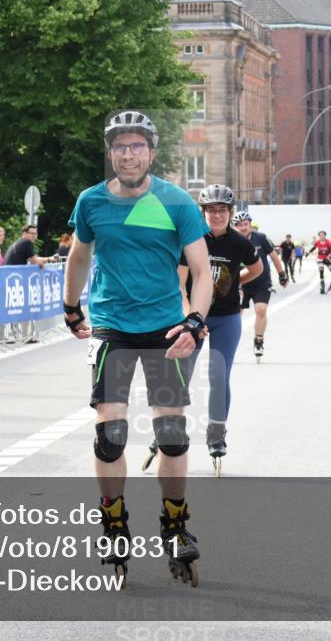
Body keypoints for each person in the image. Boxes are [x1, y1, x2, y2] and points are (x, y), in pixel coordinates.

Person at [63, 110, 212, 587]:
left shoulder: (176, 202)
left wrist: (195, 321)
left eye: (137, 146)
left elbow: (202, 272)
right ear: (111, 153)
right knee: (110, 435)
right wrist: (71, 307)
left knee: (172, 434)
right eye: (120, 146)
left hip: (166, 328)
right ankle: (113, 524)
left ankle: (175, 523)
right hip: (112, 327)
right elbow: (79, 256)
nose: (128, 154)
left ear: (151, 152)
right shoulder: (91, 201)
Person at [142, 184, 261, 476]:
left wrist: (235, 281)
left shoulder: (239, 242)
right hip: (194, 320)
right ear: (202, 212)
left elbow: (257, 269)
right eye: (211, 210)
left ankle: (216, 434)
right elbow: (179, 284)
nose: (216, 215)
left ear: (230, 212)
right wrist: (191, 318)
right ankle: (167, 431)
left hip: (227, 317)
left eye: (222, 210)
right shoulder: (192, 240)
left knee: (219, 376)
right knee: (180, 377)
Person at [232, 212, 287, 361]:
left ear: (250, 224)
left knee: (261, 310)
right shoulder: (231, 239)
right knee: (235, 316)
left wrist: (282, 274)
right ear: (234, 226)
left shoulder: (261, 238)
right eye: (239, 225)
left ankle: (258, 340)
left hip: (261, 281)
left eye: (245, 224)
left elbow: (274, 256)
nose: (243, 227)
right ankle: (230, 344)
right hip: (240, 282)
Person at [312, 230, 331, 294]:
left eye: (323, 235)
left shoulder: (328, 242)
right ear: (319, 236)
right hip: (320, 259)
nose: (321, 236)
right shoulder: (317, 242)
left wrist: (330, 256)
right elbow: (313, 248)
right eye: (320, 235)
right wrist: (308, 253)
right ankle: (322, 286)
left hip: (327, 258)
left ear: (325, 236)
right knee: (321, 272)